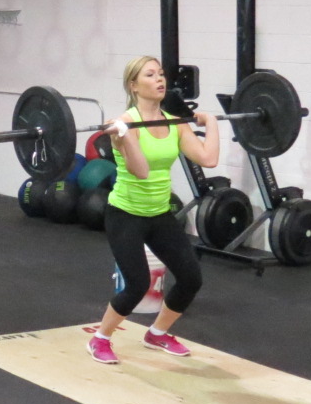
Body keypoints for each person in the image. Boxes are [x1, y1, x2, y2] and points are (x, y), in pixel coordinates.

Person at [86, 56, 219, 366]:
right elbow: (141, 170)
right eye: (150, 75)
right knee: (137, 285)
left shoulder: (174, 122)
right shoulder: (125, 123)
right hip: (126, 214)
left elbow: (208, 159)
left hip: (159, 214)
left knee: (190, 278)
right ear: (134, 85)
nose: (160, 79)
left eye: (160, 74)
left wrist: (211, 123)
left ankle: (157, 333)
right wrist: (123, 136)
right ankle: (100, 338)